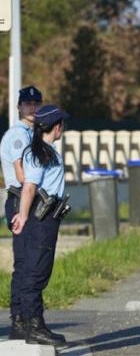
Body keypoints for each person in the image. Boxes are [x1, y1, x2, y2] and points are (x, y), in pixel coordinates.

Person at [11, 105, 70, 346]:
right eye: (62, 124)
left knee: (36, 271)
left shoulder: (45, 150)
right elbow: (30, 187)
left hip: (48, 219)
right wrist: (23, 216)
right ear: (57, 127)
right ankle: (33, 326)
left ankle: (30, 323)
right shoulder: (38, 153)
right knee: (36, 273)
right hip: (41, 220)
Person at [0, 86, 43, 340]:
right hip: (20, 200)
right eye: (27, 103)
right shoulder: (18, 135)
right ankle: (19, 320)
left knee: (28, 263)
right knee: (25, 263)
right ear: (18, 107)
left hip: (26, 199)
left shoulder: (33, 133)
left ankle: (24, 319)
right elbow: (21, 174)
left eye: (37, 103)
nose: (33, 107)